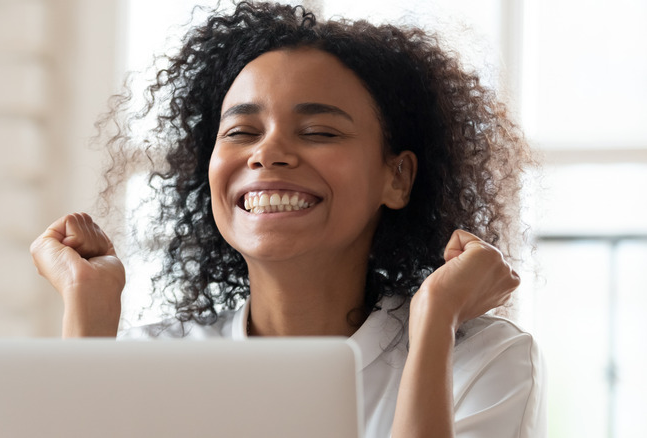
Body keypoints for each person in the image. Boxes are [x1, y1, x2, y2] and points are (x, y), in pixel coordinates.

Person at [30, 2, 546, 437]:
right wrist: (89, 322)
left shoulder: (482, 360)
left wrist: (435, 321)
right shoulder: (152, 361)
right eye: (240, 132)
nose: (267, 152)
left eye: (319, 131)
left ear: (398, 178)